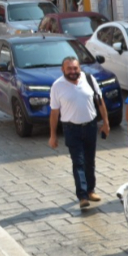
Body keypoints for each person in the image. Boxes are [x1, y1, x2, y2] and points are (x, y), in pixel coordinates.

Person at [48, 55, 111, 210]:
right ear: (62, 69)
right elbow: (54, 113)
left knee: (90, 161)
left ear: (79, 68)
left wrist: (106, 124)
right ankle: (82, 196)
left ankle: (91, 190)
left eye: (75, 68)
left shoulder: (89, 79)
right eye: (69, 68)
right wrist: (53, 135)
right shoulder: (57, 86)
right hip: (71, 129)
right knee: (78, 162)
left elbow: (100, 101)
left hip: (90, 126)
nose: (72, 71)